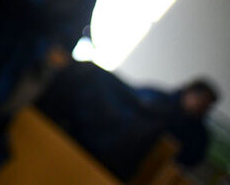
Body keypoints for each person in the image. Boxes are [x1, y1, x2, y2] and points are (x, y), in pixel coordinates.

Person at [36, 62, 219, 180]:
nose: (200, 107)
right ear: (189, 92)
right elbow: (133, 101)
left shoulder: (198, 134)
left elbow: (190, 159)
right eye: (200, 99)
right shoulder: (157, 97)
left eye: (206, 105)